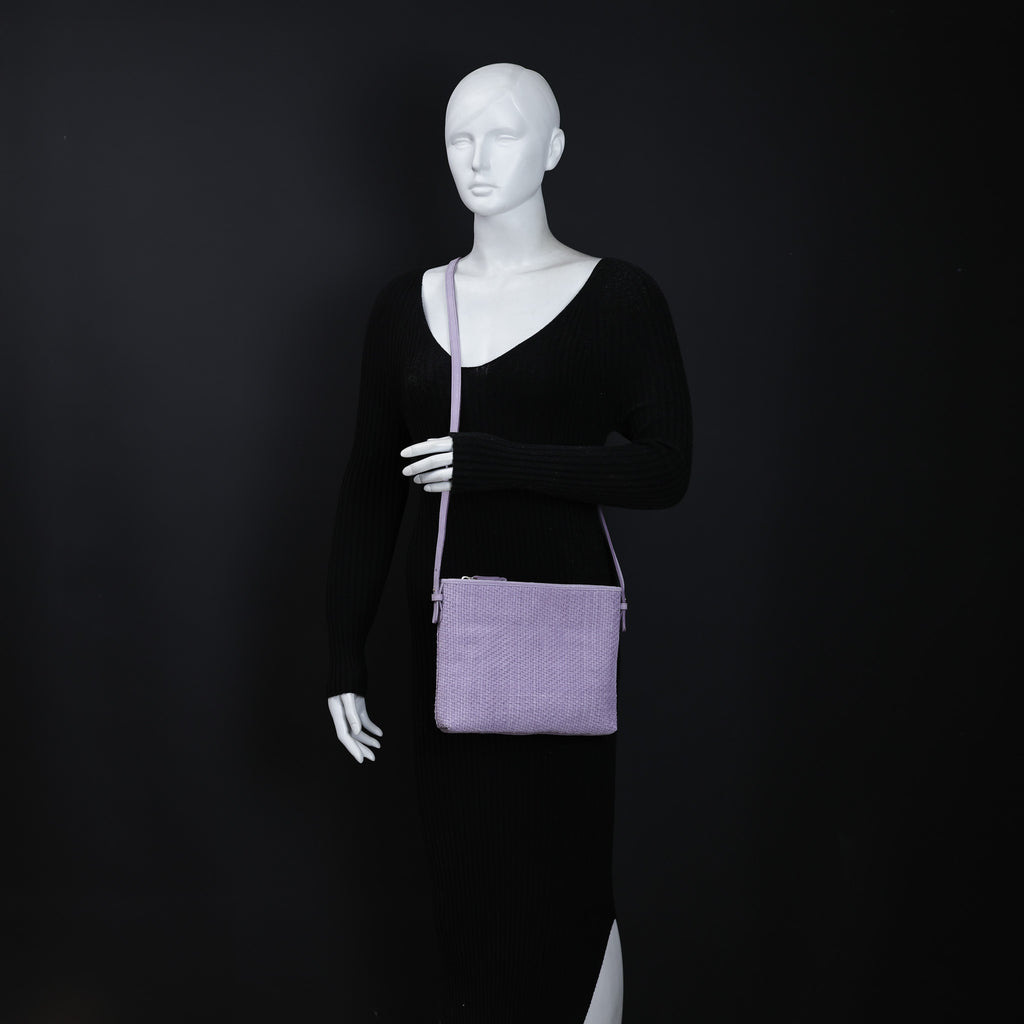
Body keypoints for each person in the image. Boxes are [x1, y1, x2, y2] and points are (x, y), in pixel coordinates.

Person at [326, 63, 692, 1023]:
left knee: (567, 886)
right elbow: (369, 486)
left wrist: (497, 461)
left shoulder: (619, 298)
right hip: (449, 639)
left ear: (554, 149)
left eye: (504, 133)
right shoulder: (406, 306)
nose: (478, 157)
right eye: (460, 137)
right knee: (470, 894)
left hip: (563, 631)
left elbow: (666, 470)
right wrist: (341, 653)